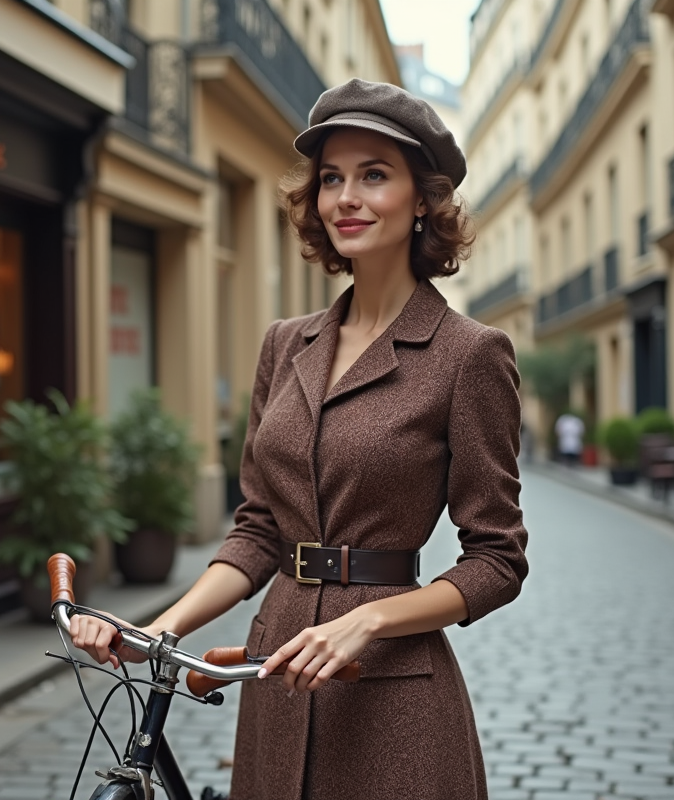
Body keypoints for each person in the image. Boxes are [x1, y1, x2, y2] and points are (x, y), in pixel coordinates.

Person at [71, 78, 528, 800]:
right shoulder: (286, 346)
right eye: (331, 179)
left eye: (374, 175)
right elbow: (257, 531)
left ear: (421, 200)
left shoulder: (468, 354)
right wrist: (160, 628)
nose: (346, 196)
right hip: (277, 670)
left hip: (393, 690)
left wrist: (370, 619)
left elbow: (498, 560)